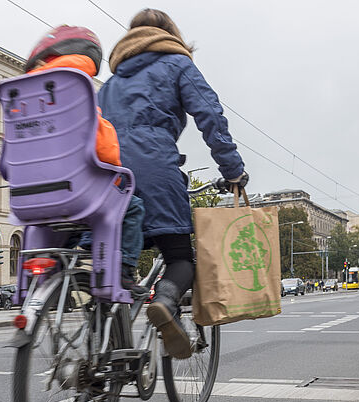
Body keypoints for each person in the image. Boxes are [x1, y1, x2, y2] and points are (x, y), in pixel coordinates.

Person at [99, 9, 247, 359]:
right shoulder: (178, 64)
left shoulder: (110, 84)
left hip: (106, 175)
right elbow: (210, 115)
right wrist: (233, 171)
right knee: (180, 257)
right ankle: (165, 303)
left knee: (114, 263)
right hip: (154, 168)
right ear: (170, 35)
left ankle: (103, 355)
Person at [25, 25, 146, 296]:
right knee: (132, 206)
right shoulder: (76, 85)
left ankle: (54, 271)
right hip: (77, 191)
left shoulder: (23, 93)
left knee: (61, 221)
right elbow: (105, 151)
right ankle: (124, 271)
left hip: (31, 196)